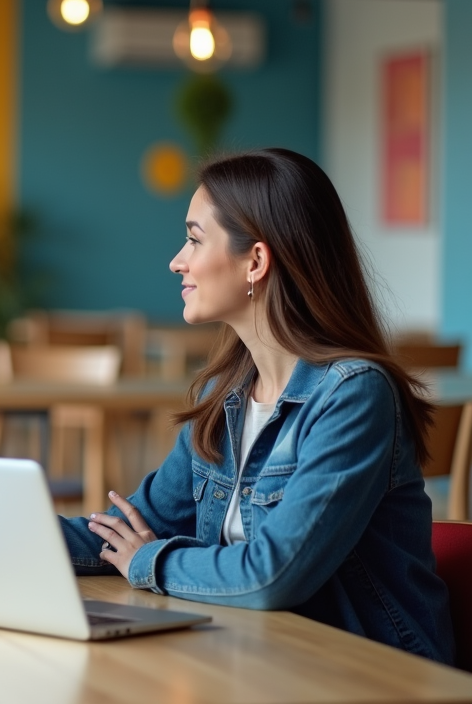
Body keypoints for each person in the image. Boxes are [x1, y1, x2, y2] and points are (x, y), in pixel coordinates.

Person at [60, 148, 454, 663]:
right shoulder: (223, 398)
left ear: (256, 262)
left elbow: (273, 575)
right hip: (255, 657)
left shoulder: (352, 395)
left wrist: (151, 562)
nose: (177, 260)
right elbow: (125, 531)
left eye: (195, 239)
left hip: (367, 671)